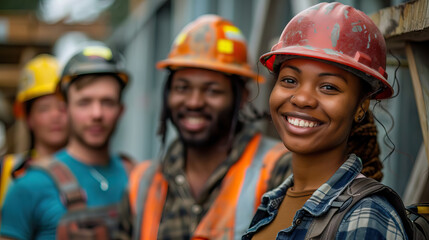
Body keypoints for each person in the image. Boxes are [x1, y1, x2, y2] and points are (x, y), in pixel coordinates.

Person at [242, 2, 408, 239]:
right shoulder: (271, 203)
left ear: (361, 106)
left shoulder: (366, 217)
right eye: (289, 80)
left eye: (329, 87)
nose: (302, 99)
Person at [128, 14, 291, 240]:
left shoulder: (279, 169)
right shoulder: (143, 182)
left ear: (241, 96)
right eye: (182, 88)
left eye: (212, 90)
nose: (194, 102)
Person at [0, 45, 132, 240]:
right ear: (68, 107)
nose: (97, 114)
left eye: (107, 102)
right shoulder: (28, 185)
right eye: (84, 102)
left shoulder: (141, 179)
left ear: (121, 109)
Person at [0, 54, 68, 207]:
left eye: (62, 107)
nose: (55, 116)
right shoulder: (7, 171)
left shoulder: (89, 167)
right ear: (28, 118)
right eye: (44, 109)